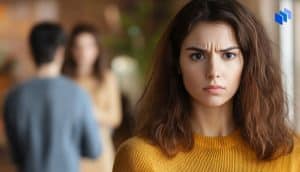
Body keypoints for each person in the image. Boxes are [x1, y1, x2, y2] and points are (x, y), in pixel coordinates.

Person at [113, 0, 300, 171]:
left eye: (228, 55)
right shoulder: (140, 158)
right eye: (197, 56)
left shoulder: (291, 154)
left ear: (248, 64)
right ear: (177, 63)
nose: (213, 72)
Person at [3, 22, 101, 172]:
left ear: (31, 52)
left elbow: (15, 155)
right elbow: (94, 150)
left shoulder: (13, 97)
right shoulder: (78, 95)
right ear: (61, 52)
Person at [62, 24, 121, 172]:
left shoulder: (108, 78)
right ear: (71, 50)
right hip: (71, 150)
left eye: (88, 46)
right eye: (78, 47)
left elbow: (115, 117)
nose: (83, 52)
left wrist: (86, 110)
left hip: (101, 151)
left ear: (97, 49)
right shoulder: (64, 80)